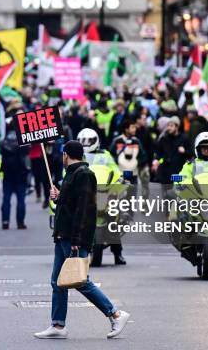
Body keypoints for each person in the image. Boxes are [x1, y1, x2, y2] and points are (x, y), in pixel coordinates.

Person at [35, 140, 130, 340]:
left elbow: (84, 209)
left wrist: (78, 238)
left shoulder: (84, 175)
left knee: (80, 281)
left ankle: (116, 314)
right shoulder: (72, 174)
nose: (61, 157)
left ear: (66, 155)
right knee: (57, 282)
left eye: (62, 154)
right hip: (63, 235)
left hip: (73, 236)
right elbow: (71, 204)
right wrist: (58, 197)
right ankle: (58, 325)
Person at [78, 128, 126, 266]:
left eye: (89, 141)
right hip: (84, 191)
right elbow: (67, 170)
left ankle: (118, 253)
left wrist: (120, 179)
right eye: (83, 141)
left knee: (114, 219)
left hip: (103, 190)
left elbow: (115, 170)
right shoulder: (78, 155)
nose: (86, 144)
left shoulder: (105, 155)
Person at [152, 116, 192, 199]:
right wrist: (156, 160)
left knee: (178, 196)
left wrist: (184, 151)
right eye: (168, 125)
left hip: (178, 172)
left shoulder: (184, 138)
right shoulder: (164, 138)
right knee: (166, 196)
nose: (169, 128)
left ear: (177, 126)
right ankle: (167, 211)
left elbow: (191, 153)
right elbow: (158, 153)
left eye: (171, 125)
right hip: (165, 172)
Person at [0, 125, 30, 229]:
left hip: (7, 174)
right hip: (20, 174)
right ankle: (20, 222)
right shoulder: (23, 142)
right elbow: (27, 153)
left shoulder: (4, 142)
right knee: (21, 200)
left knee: (6, 199)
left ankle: (5, 221)